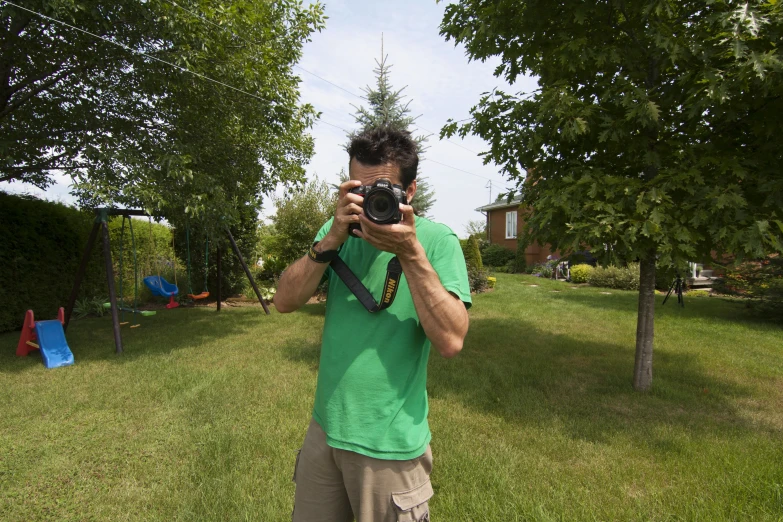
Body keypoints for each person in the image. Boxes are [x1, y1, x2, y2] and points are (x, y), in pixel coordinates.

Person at [274, 125, 471, 522]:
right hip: (325, 432)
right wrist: (330, 241)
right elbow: (283, 301)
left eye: (380, 191)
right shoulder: (338, 232)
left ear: (409, 192)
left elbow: (451, 341)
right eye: (359, 190)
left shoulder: (435, 241)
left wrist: (409, 251)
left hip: (389, 445)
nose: (369, 202)